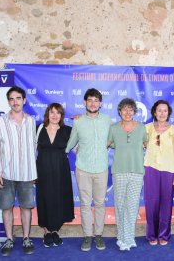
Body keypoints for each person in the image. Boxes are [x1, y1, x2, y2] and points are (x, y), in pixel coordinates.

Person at [0, 86, 37, 256]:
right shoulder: (0, 122)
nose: (15, 102)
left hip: (26, 174)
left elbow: (33, 147)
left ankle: (26, 238)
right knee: (6, 208)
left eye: (18, 98)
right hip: (6, 174)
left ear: (24, 100)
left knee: (26, 208)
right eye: (11, 99)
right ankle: (9, 239)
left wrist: (34, 172)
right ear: (8, 101)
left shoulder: (31, 121)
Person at [66, 88, 112, 251]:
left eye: (96, 100)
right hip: (83, 169)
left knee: (100, 203)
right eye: (90, 100)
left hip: (101, 169)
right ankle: (87, 236)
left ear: (100, 104)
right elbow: (70, 143)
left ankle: (98, 235)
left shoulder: (107, 120)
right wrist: (56, 152)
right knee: (85, 204)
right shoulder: (78, 121)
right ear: (85, 102)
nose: (93, 103)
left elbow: (113, 141)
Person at [108, 98, 147, 251]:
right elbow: (105, 144)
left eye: (131, 109)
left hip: (137, 172)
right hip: (119, 171)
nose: (127, 112)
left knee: (132, 206)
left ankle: (129, 238)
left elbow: (147, 145)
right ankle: (121, 238)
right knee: (120, 206)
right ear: (119, 111)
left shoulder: (142, 128)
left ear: (135, 112)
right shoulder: (113, 128)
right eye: (124, 109)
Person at [36, 103, 74, 247]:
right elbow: (30, 150)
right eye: (52, 112)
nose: (54, 115)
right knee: (44, 198)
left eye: (58, 113)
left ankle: (55, 230)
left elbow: (81, 142)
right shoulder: (38, 129)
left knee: (59, 198)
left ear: (61, 115)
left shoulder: (68, 130)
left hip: (61, 170)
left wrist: (80, 120)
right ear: (47, 114)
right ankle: (46, 231)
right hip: (42, 170)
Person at [144, 100, 174, 246]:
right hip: (150, 169)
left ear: (168, 113)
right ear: (154, 112)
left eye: (165, 111)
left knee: (166, 203)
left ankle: (164, 235)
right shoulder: (147, 128)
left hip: (169, 170)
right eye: (159, 110)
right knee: (151, 203)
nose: (162, 113)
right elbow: (139, 143)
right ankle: (151, 234)